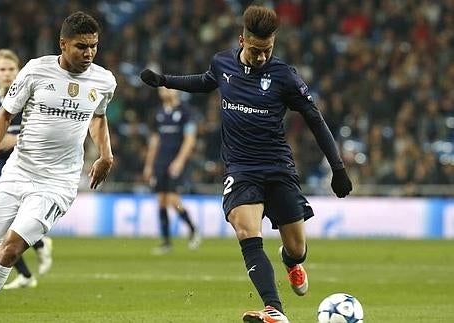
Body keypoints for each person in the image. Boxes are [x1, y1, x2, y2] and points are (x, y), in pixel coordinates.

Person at [140, 5, 352, 323]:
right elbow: (204, 81)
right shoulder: (223, 63)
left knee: (296, 248)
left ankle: (292, 263)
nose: (262, 56)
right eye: (256, 50)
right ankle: (274, 310)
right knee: (246, 232)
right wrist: (164, 80)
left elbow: (315, 120)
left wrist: (338, 168)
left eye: (268, 50)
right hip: (241, 169)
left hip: (278, 168)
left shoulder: (285, 76)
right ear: (243, 39)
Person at [0, 11, 116, 322]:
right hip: (18, 172)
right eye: (80, 46)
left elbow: (98, 117)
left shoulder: (104, 80)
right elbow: (4, 114)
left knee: (9, 251)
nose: (88, 54)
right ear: (62, 44)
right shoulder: (36, 71)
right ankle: (26, 235)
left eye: (93, 47)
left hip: (57, 184)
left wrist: (106, 154)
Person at [0, 48, 53, 290]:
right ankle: (29, 267)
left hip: (25, 164)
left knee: (14, 221)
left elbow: (43, 132)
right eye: (2, 70)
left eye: (11, 69)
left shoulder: (31, 98)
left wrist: (14, 140)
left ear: (19, 72)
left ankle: (37, 244)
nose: (7, 74)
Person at [143, 87, 201, 255]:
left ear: (176, 91)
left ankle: (193, 230)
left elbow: (190, 139)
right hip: (160, 162)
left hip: (176, 162)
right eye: (162, 89)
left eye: (167, 88)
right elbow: (154, 141)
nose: (164, 91)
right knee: (161, 200)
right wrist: (149, 164)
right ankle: (166, 242)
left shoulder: (186, 111)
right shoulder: (158, 113)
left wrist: (180, 161)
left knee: (173, 200)